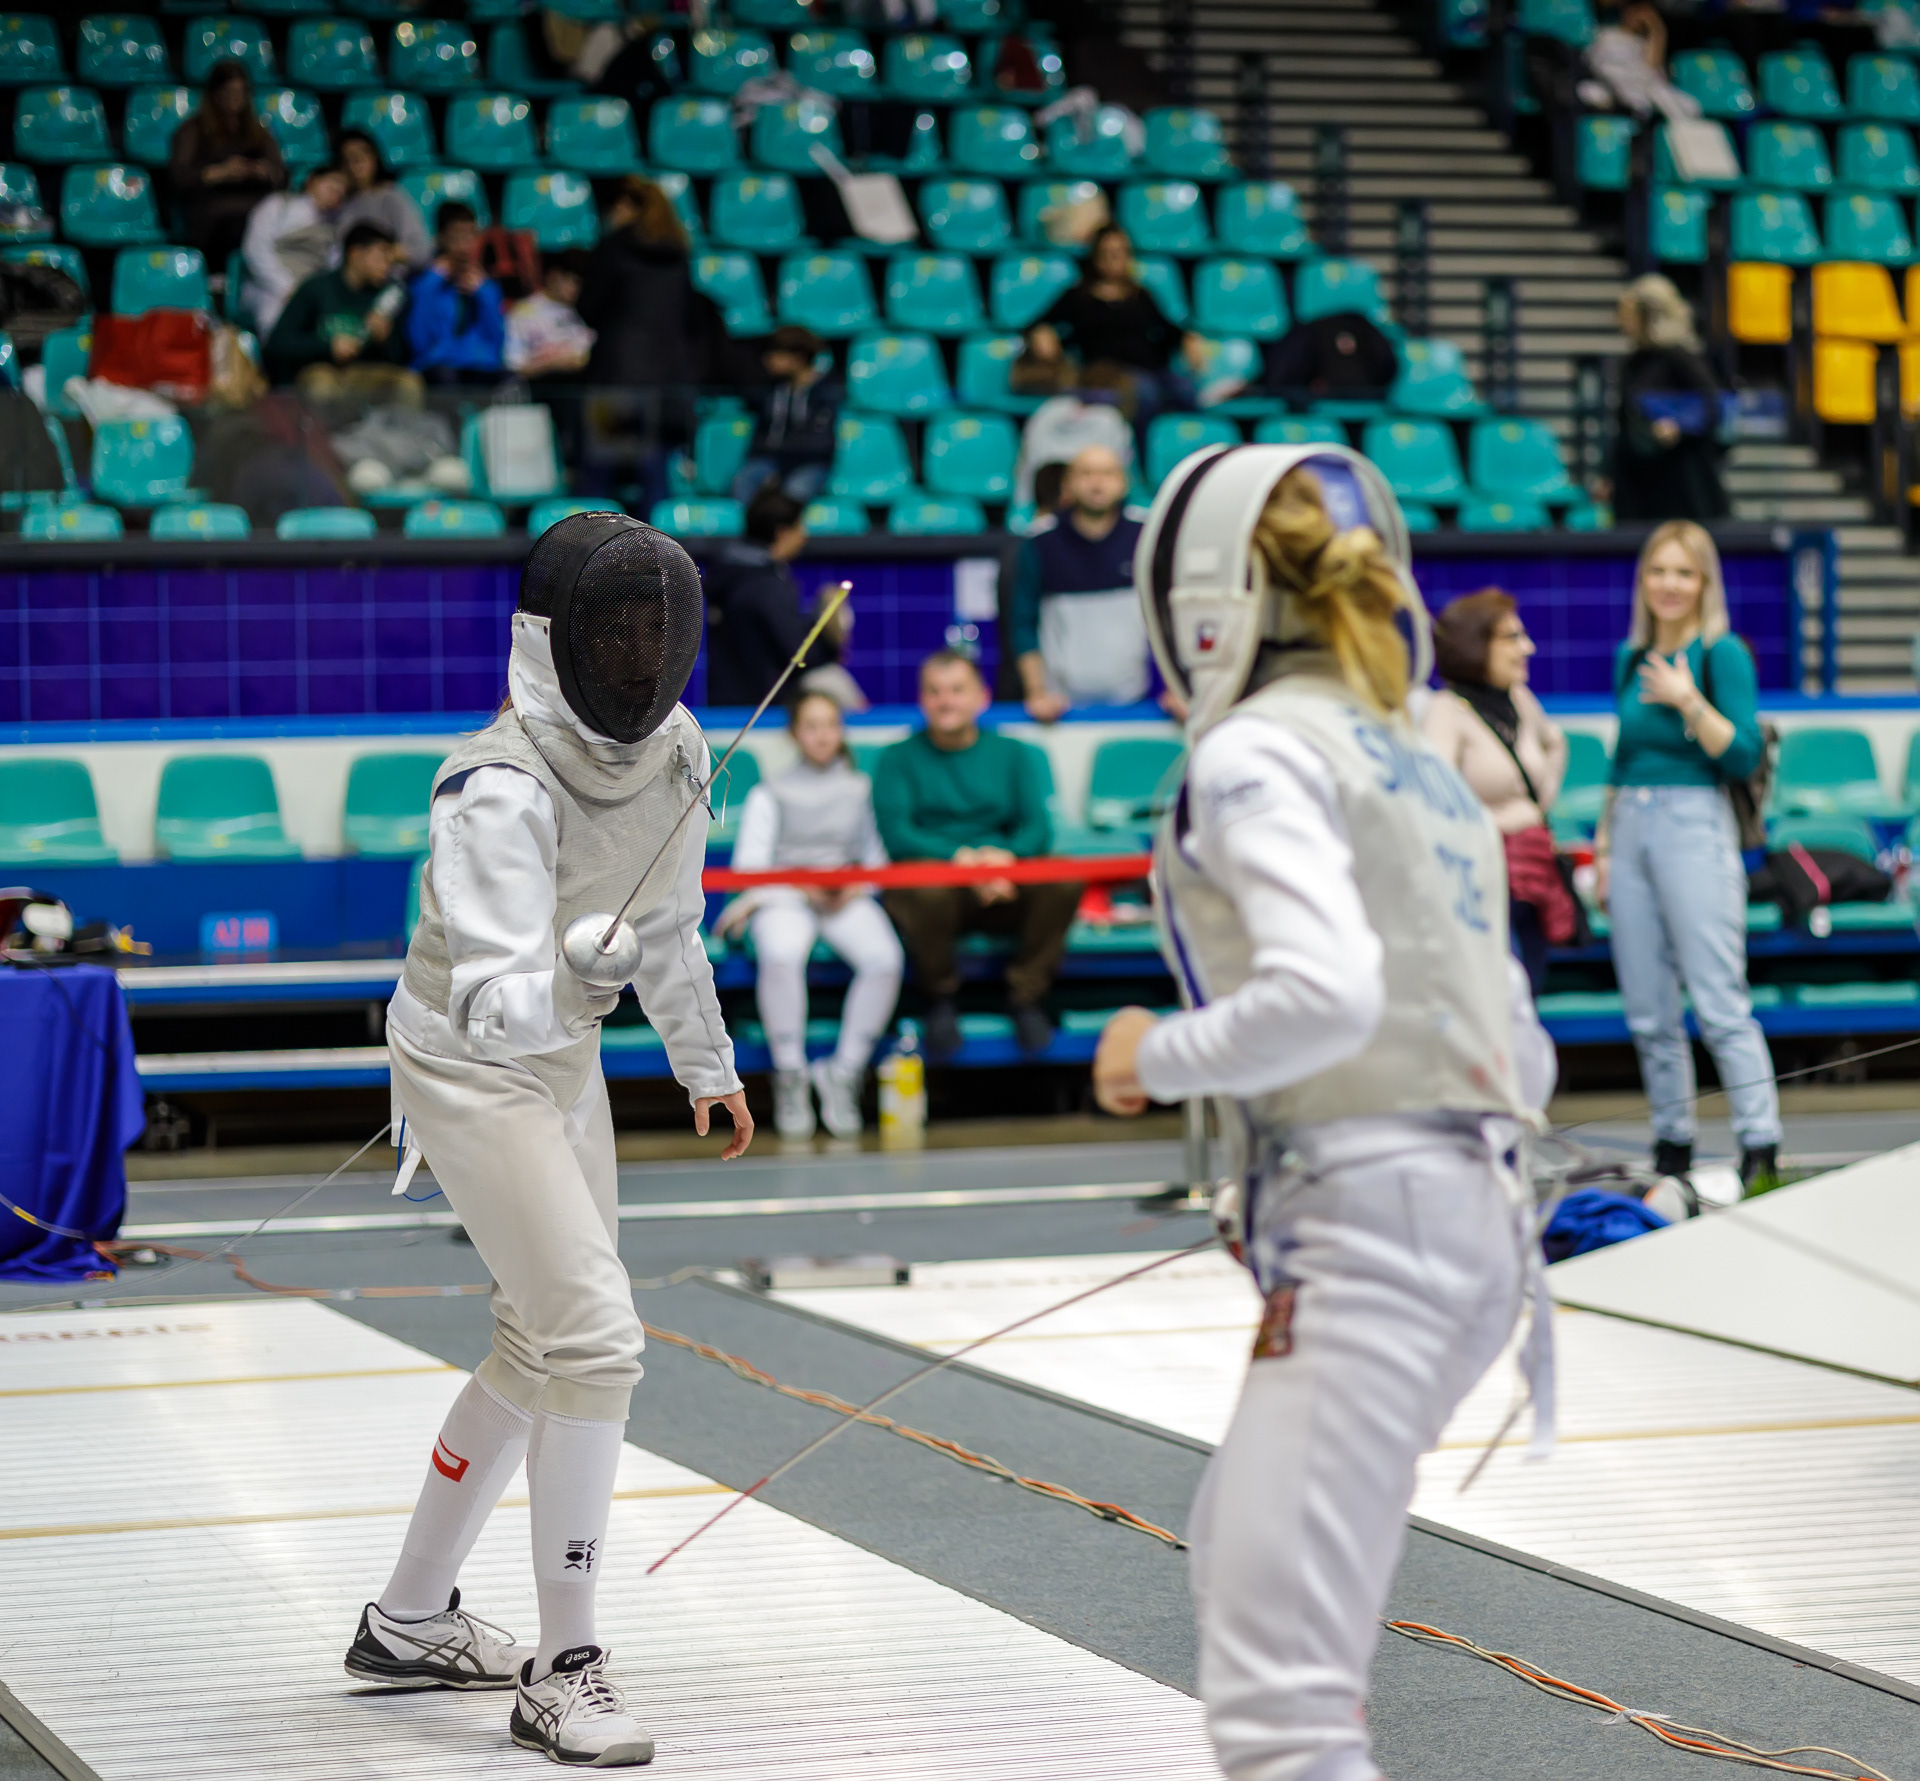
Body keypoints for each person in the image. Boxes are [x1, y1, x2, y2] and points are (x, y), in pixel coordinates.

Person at [1089, 444, 1557, 1781]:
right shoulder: (1416, 762)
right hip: (1477, 1228)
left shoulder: (1254, 751)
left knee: (1281, 1713)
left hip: (1373, 1232)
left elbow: (1326, 992)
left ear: (1199, 602)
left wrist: (1155, 1053)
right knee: (1237, 1553)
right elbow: (1522, 1050)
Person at [351, 513, 752, 1767]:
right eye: (616, 627)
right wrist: (578, 979)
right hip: (468, 1056)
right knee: (595, 1340)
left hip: (561, 1055)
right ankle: (563, 1666)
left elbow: (670, 924)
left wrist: (706, 1062)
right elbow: (494, 998)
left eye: (657, 628)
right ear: (557, 637)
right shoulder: (497, 787)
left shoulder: (679, 747)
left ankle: (409, 1617)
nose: (640, 652)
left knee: (542, 1339)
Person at [1599, 520, 1781, 1192]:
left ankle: (1759, 1143)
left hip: (1695, 822)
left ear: (1704, 582)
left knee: (1719, 1000)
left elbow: (1743, 754)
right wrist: (1605, 845)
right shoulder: (1631, 657)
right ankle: (1672, 1141)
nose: (1669, 585)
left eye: (1683, 572)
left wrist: (1687, 700)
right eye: (1658, 571)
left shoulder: (1720, 653)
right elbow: (1621, 759)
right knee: (1648, 1009)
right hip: (1632, 826)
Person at [873, 651, 1081, 1061]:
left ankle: (1026, 996)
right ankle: (940, 999)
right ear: (922, 700)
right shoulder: (896, 758)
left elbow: (1037, 829)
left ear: (981, 697)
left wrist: (1003, 861)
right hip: (936, 886)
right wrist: (962, 860)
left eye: (956, 690)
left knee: (1065, 877)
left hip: (1004, 879)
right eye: (935, 692)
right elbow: (898, 836)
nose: (945, 701)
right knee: (926, 889)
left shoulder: (1014, 752)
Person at [724, 692, 904, 1140]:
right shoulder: (771, 791)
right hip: (786, 897)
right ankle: (791, 1075)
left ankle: (844, 1072)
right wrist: (804, 885)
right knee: (781, 954)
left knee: (885, 959)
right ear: (795, 733)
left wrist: (854, 886)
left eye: (830, 725)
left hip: (844, 899)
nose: (822, 736)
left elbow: (876, 860)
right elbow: (750, 866)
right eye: (811, 726)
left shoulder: (860, 789)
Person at [1423, 590, 1575, 995]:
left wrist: (1535, 808)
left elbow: (1555, 744)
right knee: (1498, 997)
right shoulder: (1446, 710)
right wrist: (1496, 825)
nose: (1527, 648)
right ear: (1474, 645)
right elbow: (1435, 800)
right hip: (1483, 880)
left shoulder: (1519, 700)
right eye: (1512, 638)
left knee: (1530, 991)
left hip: (1532, 875)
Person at [1009, 445, 1153, 718]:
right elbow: (1023, 623)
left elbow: (1170, 617)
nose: (1097, 483)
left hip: (1134, 701)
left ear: (1124, 483)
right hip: (1059, 708)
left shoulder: (1147, 534)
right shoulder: (1040, 541)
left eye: (1107, 473)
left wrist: (1176, 688)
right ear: (1067, 484)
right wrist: (1036, 692)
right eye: (1086, 473)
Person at [1027, 225, 1206, 424]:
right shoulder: (1079, 297)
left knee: (1185, 390)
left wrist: (1187, 338)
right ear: (1096, 256)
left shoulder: (1140, 295)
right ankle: (1139, 443)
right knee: (1145, 392)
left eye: (1121, 252)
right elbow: (1038, 323)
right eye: (1108, 252)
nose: (1115, 258)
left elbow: (1169, 332)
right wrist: (1042, 333)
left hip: (1148, 370)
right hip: (1105, 374)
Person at [703, 487, 854, 708]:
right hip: (762, 709)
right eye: (800, 527)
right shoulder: (766, 586)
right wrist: (830, 632)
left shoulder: (729, 571)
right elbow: (800, 655)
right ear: (783, 533)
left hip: (725, 703)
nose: (804, 536)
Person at [1612, 274, 1727, 524]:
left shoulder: (1679, 358)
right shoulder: (1632, 362)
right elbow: (1622, 420)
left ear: (1649, 316)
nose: (1620, 321)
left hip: (1681, 479)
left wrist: (1679, 427)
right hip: (1639, 478)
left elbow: (1713, 405)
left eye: (1628, 314)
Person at [264, 220, 416, 400]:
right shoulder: (317, 288)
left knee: (407, 383)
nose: (387, 265)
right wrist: (328, 347)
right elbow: (278, 344)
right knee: (323, 383)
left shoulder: (386, 297)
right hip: (320, 370)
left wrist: (386, 340)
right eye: (381, 257)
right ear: (355, 254)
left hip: (363, 373)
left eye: (390, 259)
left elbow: (401, 358)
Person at [167, 59, 286, 274]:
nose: (235, 99)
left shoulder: (258, 131)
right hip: (213, 207)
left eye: (241, 92)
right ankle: (221, 277)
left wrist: (262, 171)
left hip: (254, 201)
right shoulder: (193, 130)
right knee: (235, 223)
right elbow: (179, 178)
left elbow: (280, 173)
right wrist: (221, 172)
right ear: (215, 94)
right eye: (229, 92)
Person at [732, 325, 841, 505]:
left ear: (798, 357)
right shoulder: (771, 392)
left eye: (776, 353)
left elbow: (821, 442)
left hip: (810, 463)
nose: (768, 359)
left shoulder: (826, 392)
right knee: (744, 480)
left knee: (795, 489)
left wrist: (784, 467)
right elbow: (761, 436)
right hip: (771, 461)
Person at [241, 163, 348, 336]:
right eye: (332, 184)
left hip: (310, 291)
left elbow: (333, 267)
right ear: (312, 182)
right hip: (268, 288)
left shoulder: (334, 226)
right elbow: (255, 250)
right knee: (276, 323)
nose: (337, 191)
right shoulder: (278, 205)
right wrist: (286, 287)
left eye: (342, 189)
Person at [407, 202, 507, 385]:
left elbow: (496, 342)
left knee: (510, 381)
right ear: (442, 238)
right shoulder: (425, 284)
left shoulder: (487, 287)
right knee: (446, 377)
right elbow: (418, 341)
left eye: (470, 236)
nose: (464, 246)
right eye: (457, 237)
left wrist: (483, 294)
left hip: (479, 364)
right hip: (438, 365)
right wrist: (434, 279)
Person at [336, 128, 431, 271]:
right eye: (347, 159)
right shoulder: (337, 202)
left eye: (361, 156)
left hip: (388, 278)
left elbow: (421, 250)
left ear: (375, 159)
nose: (355, 164)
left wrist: (383, 255)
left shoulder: (392, 196)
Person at [506, 250, 596, 377]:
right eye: (575, 282)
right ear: (555, 276)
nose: (579, 290)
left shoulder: (586, 312)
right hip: (539, 386)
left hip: (580, 385)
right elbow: (514, 365)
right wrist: (555, 363)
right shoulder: (523, 312)